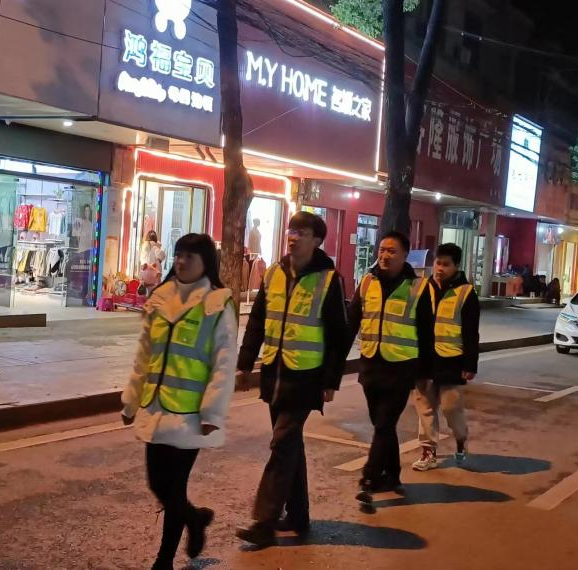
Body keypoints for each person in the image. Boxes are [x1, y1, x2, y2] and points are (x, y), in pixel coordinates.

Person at [121, 233, 236, 569]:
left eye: (190, 256)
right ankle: (194, 518)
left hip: (191, 414)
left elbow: (224, 362)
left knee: (174, 487)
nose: (182, 261)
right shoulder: (160, 298)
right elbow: (144, 356)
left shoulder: (217, 303)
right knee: (158, 484)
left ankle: (164, 561)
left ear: (205, 262)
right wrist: (131, 401)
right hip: (156, 408)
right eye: (179, 254)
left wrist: (213, 412)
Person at [235, 212, 348, 546]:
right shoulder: (274, 273)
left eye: (302, 232)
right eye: (291, 230)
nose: (293, 237)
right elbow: (257, 321)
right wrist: (245, 364)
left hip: (306, 378)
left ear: (317, 240)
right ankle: (298, 516)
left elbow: (338, 336)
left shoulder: (329, 280)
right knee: (290, 446)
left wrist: (331, 381)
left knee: (282, 443)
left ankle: (264, 521)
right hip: (275, 373)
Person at [346, 231, 428, 493]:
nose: (385, 255)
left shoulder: (418, 288)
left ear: (405, 255)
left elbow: (427, 333)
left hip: (401, 368)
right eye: (382, 250)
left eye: (392, 251)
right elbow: (351, 323)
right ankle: (392, 475)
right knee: (382, 424)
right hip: (371, 365)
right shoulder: (367, 282)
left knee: (383, 423)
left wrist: (425, 373)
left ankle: (370, 476)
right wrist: (335, 364)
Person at [412, 243, 480, 471]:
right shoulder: (423, 288)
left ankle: (460, 438)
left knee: (451, 408)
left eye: (446, 264)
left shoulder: (466, 293)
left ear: (456, 266)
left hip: (451, 360)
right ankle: (428, 451)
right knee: (424, 406)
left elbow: (471, 332)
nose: (440, 268)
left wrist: (470, 364)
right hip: (424, 358)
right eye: (437, 263)